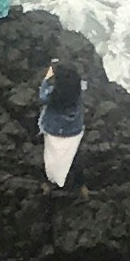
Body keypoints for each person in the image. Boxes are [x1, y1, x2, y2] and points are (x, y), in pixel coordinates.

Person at [37, 54, 88, 191]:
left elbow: (42, 97)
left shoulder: (53, 95)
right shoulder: (78, 91)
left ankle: (46, 184)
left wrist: (47, 78)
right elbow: (83, 84)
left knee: (49, 155)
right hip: (74, 130)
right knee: (74, 155)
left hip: (53, 130)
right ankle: (81, 186)